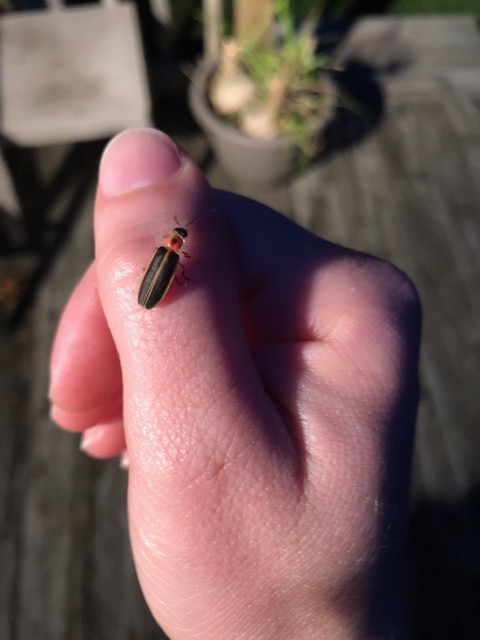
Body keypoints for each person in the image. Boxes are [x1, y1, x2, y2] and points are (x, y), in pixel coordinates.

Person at [49, 129, 421, 639]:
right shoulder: (173, 256)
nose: (175, 241)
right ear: (174, 243)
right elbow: (164, 276)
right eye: (175, 239)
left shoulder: (168, 255)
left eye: (175, 240)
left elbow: (161, 276)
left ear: (172, 244)